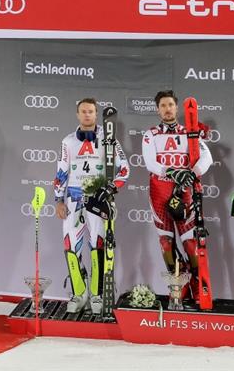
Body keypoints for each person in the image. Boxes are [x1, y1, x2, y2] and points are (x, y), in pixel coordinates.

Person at [54, 99, 130, 314]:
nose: (87, 115)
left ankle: (96, 294)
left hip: (98, 200)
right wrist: (58, 200)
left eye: (91, 111)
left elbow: (124, 169)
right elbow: (61, 171)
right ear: (78, 115)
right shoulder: (68, 142)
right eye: (83, 111)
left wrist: (111, 189)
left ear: (97, 114)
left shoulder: (109, 140)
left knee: (98, 246)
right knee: (71, 245)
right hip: (74, 199)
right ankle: (79, 293)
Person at [141, 90, 213, 305]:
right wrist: (173, 171)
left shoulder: (190, 132)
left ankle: (198, 285)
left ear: (177, 107)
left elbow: (206, 157)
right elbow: (149, 162)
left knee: (191, 242)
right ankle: (177, 285)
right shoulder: (151, 134)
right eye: (163, 105)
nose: (167, 109)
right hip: (159, 191)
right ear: (158, 109)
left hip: (185, 190)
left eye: (170, 105)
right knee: (166, 242)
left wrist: (191, 173)